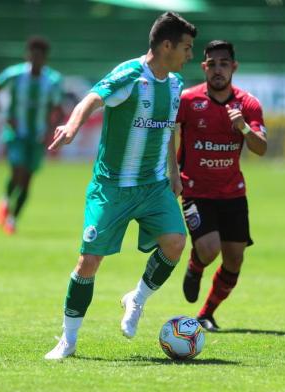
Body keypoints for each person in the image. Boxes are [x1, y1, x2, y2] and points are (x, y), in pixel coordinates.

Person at [44, 12, 197, 360]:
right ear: (166, 45)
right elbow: (92, 98)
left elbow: (168, 130)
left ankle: (137, 299)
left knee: (175, 244)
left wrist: (173, 172)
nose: (190, 55)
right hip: (112, 187)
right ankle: (68, 341)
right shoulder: (131, 75)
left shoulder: (174, 84)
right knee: (88, 262)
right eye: (187, 48)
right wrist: (72, 126)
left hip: (154, 186)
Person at [176, 40, 267, 331]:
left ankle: (206, 313)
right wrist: (170, 172)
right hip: (195, 190)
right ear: (204, 67)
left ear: (234, 67)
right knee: (209, 248)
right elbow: (166, 133)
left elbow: (261, 148)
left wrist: (242, 126)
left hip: (232, 193)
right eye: (212, 64)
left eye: (223, 64)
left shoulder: (248, 104)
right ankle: (195, 265)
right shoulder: (188, 100)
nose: (218, 70)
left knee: (234, 258)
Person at [0, 36, 64, 235]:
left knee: (28, 179)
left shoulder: (53, 80)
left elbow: (58, 110)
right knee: (18, 172)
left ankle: (12, 219)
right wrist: (4, 115)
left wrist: (49, 130)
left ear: (45, 58)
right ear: (27, 55)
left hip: (38, 136)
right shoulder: (14, 75)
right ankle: (5, 201)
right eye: (33, 55)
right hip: (16, 134)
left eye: (40, 56)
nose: (36, 59)